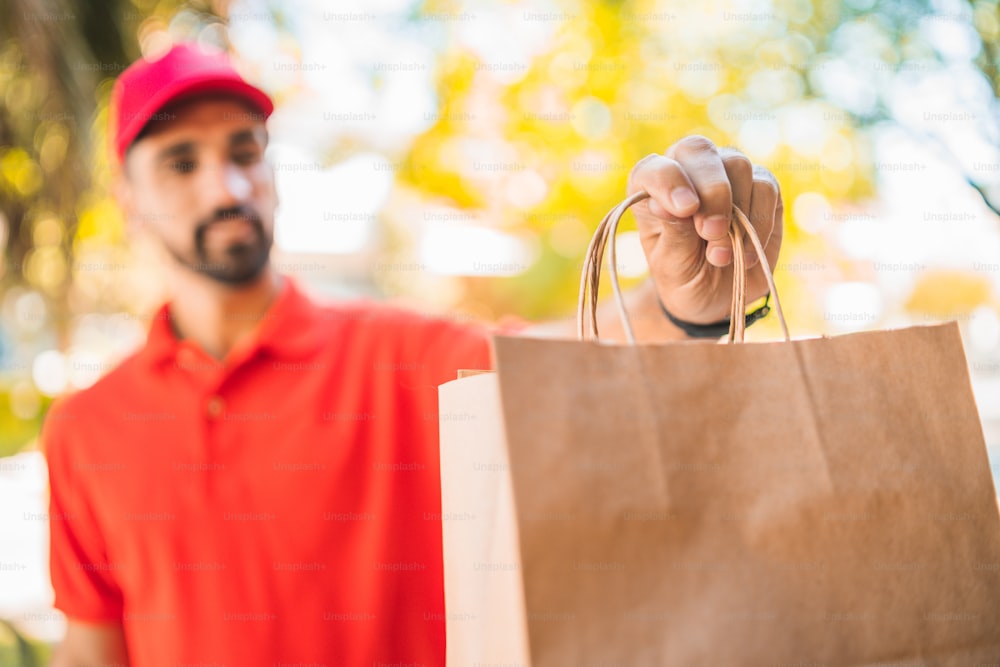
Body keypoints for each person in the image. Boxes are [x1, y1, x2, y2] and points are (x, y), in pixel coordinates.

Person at [43, 43, 783, 666]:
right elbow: (92, 648)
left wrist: (685, 302)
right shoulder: (85, 432)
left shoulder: (397, 355)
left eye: (245, 152)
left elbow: (577, 363)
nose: (227, 186)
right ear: (128, 199)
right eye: (181, 162)